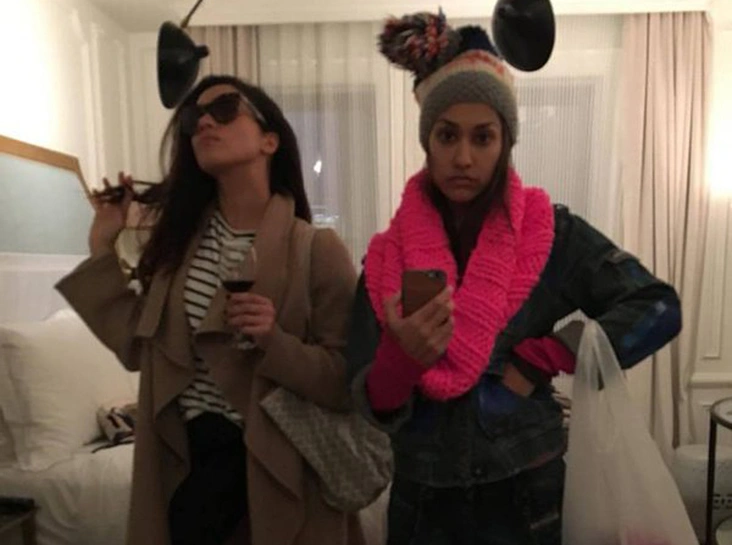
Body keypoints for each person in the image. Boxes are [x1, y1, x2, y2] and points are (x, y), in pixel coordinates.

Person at [345, 12, 682, 545]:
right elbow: (372, 402)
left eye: (483, 137)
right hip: (424, 506)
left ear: (505, 142)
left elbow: (657, 307)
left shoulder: (550, 233)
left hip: (529, 497)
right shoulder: (389, 256)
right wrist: (402, 359)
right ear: (427, 140)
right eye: (447, 135)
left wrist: (545, 355)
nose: (463, 157)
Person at [57, 75, 364, 545]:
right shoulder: (177, 249)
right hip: (186, 458)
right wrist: (103, 244)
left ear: (269, 140)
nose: (203, 122)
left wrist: (274, 341)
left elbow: (346, 382)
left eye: (223, 109)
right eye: (192, 118)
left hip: (277, 467)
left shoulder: (315, 248)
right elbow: (138, 348)